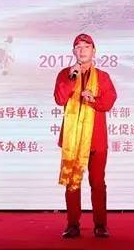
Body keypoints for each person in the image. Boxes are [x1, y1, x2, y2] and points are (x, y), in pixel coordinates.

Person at [53, 34, 117, 239]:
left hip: (96, 139)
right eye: (78, 47)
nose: (82, 51)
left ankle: (101, 225)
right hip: (72, 140)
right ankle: (72, 224)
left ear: (93, 51)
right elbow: (59, 99)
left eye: (86, 47)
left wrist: (92, 99)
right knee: (73, 182)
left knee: (97, 182)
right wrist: (71, 79)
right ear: (74, 52)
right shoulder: (65, 74)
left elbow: (108, 102)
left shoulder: (103, 77)